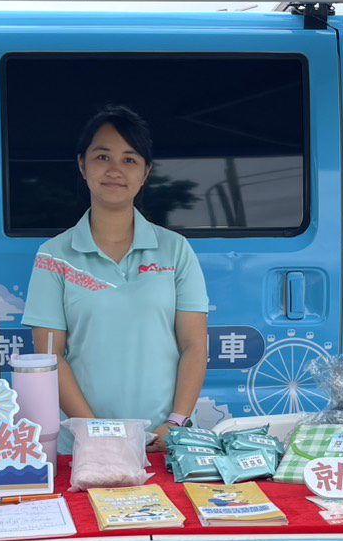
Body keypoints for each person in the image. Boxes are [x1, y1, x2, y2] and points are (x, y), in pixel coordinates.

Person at [22, 105, 209, 448]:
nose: (115, 170)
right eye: (102, 156)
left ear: (145, 172)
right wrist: (96, 434)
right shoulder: (53, 256)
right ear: (83, 165)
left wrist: (176, 422)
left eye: (129, 159)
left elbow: (194, 346)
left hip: (161, 442)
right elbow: (51, 356)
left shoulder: (176, 250)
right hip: (83, 445)